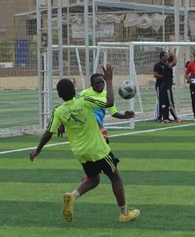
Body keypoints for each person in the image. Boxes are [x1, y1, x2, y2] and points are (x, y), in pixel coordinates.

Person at [29, 64, 140, 223]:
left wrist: (37, 150)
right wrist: (109, 81)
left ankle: (72, 196)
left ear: (60, 96)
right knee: (115, 177)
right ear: (74, 91)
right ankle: (124, 214)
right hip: (98, 149)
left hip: (80, 152)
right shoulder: (84, 101)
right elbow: (109, 103)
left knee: (94, 179)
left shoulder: (58, 111)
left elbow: (48, 133)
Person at [160, 48, 184, 123]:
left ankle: (165, 118)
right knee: (170, 103)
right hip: (166, 88)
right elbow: (175, 63)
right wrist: (174, 53)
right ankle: (176, 118)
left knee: (165, 104)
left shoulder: (166, 67)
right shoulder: (167, 66)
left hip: (164, 87)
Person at [153, 51, 169, 122]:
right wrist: (163, 77)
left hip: (166, 86)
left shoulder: (167, 64)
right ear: (161, 57)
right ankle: (159, 116)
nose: (167, 57)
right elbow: (155, 75)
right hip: (159, 85)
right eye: (165, 56)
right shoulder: (158, 65)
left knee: (166, 101)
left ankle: (166, 116)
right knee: (161, 101)